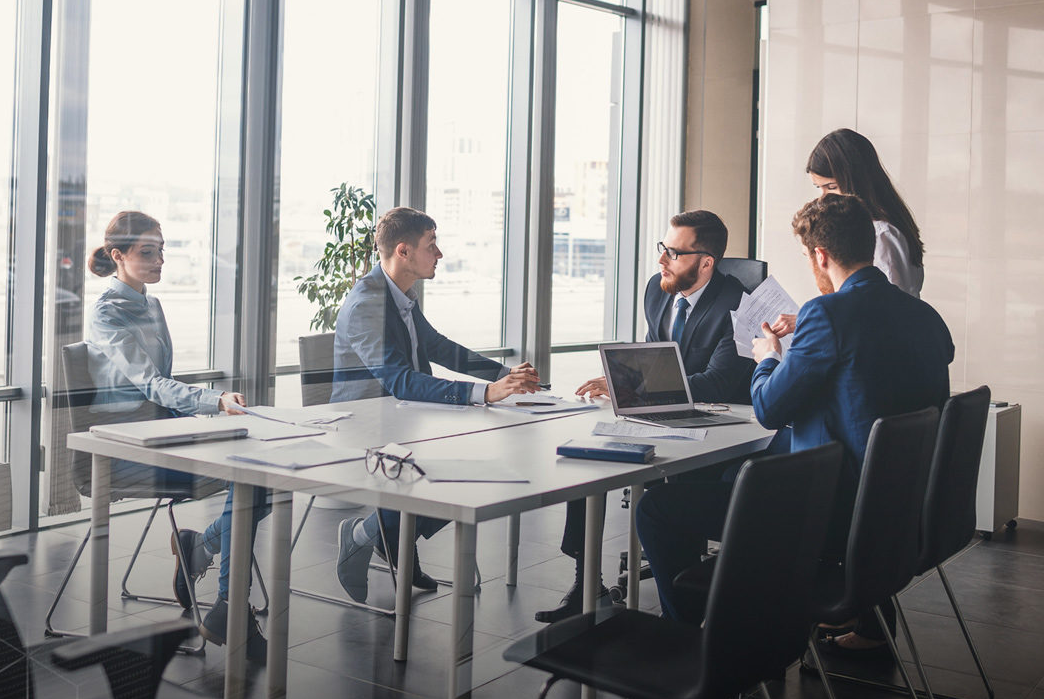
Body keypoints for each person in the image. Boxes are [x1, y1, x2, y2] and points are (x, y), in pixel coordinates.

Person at [636, 192, 954, 642]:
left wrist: (768, 357)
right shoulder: (925, 316)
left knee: (657, 508)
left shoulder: (825, 313)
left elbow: (768, 409)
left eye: (807, 257)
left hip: (828, 513)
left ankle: (688, 644)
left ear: (820, 255)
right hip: (899, 510)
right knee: (732, 477)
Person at [535, 209, 755, 623]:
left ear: (706, 263)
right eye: (663, 248)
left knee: (670, 495)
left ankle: (684, 610)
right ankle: (587, 584)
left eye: (674, 253)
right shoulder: (658, 289)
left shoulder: (739, 306)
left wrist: (633, 388)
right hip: (660, 414)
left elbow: (718, 382)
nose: (661, 260)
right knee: (590, 456)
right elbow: (656, 358)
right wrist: (623, 381)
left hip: (717, 427)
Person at [330, 206, 541, 602]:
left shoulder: (399, 296)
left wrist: (505, 375)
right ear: (404, 251)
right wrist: (484, 394)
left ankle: (388, 537)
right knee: (453, 471)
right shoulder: (366, 304)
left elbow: (439, 347)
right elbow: (400, 381)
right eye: (432, 245)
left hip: (403, 421)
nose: (439, 254)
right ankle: (365, 535)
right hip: (365, 429)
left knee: (470, 469)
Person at [86, 210, 268, 662]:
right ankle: (228, 604)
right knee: (249, 480)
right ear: (118, 256)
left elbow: (161, 386)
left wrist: (208, 409)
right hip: (127, 447)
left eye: (161, 250)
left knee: (262, 476)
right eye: (148, 252)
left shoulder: (151, 304)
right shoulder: (107, 313)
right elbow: (151, 383)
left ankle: (202, 551)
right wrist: (213, 400)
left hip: (163, 431)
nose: (160, 260)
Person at [770, 129, 924, 345]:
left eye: (831, 187)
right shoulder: (876, 227)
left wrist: (812, 320)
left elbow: (884, 314)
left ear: (856, 180)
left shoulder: (881, 234)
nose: (824, 198)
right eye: (819, 188)